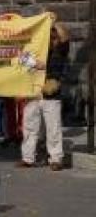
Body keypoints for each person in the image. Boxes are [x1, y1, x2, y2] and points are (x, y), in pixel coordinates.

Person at [19, 18, 69, 172]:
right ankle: (27, 158)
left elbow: (64, 38)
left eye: (53, 36)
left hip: (51, 92)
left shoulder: (61, 48)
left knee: (53, 128)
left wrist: (51, 23)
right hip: (34, 91)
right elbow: (22, 60)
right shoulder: (34, 46)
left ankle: (56, 158)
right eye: (49, 35)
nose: (52, 38)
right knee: (29, 126)